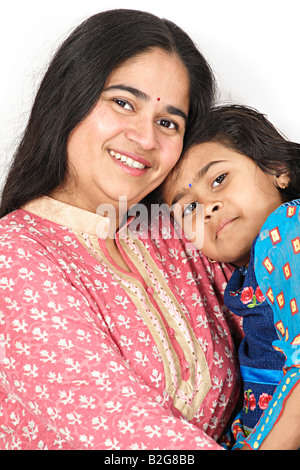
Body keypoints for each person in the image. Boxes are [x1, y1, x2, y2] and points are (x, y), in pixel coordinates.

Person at [0, 10, 242, 450]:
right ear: (69, 97)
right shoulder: (12, 257)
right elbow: (122, 436)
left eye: (168, 122)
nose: (146, 138)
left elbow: (277, 321)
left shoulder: (181, 232)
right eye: (124, 103)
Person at [162, 104, 300, 449]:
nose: (208, 206)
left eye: (219, 179)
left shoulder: (284, 232)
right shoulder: (245, 271)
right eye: (189, 208)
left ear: (276, 169)